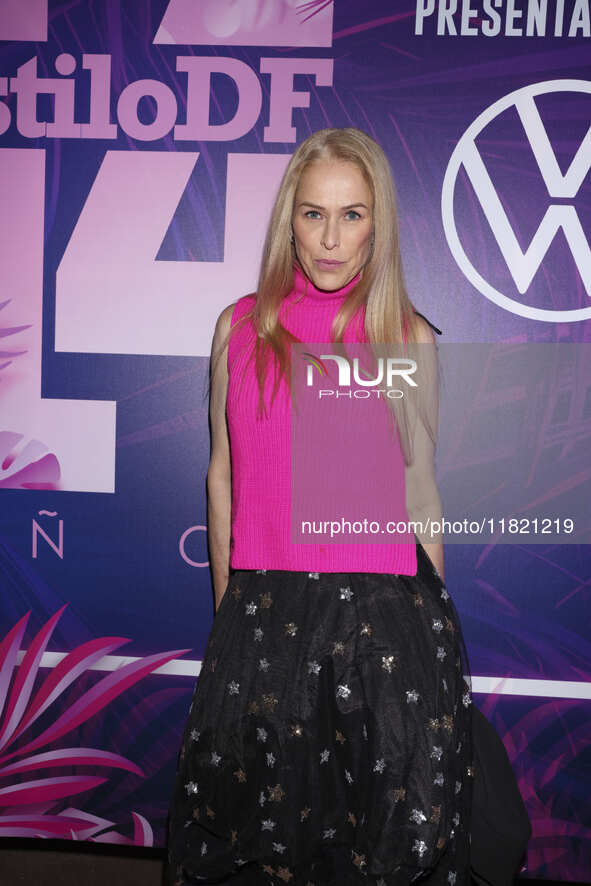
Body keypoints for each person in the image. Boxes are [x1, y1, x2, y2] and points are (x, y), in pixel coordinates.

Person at [166, 127, 473, 885]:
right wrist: (230, 613)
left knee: (384, 847)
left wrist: (440, 642)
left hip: (386, 621)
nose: (330, 239)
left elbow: (419, 493)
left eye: (352, 215)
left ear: (379, 222)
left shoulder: (407, 336)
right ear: (288, 221)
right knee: (254, 845)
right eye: (312, 215)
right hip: (267, 611)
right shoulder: (239, 328)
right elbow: (223, 478)